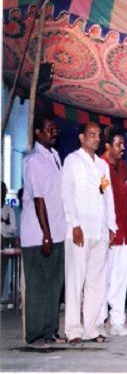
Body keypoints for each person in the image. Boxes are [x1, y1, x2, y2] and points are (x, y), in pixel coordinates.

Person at [61, 122, 117, 345]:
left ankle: (93, 328)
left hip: (100, 230)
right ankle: (73, 330)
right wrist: (74, 224)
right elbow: (67, 194)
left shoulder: (102, 165)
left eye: (98, 135)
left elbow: (108, 197)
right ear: (82, 138)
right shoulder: (72, 161)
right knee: (76, 280)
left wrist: (111, 226)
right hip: (80, 230)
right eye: (91, 135)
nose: (95, 138)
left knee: (96, 281)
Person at [19, 115, 65, 347]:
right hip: (38, 236)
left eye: (55, 128)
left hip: (57, 231)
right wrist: (46, 234)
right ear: (37, 132)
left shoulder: (54, 156)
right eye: (48, 129)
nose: (53, 132)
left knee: (54, 284)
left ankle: (50, 330)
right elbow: (39, 200)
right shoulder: (34, 160)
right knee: (38, 285)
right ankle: (35, 334)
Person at [99, 126, 127, 337]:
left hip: (125, 233)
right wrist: (107, 229)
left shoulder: (125, 167)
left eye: (124, 144)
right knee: (102, 278)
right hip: (106, 234)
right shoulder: (99, 167)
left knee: (121, 278)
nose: (123, 148)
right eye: (118, 144)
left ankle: (118, 321)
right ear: (108, 146)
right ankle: (99, 320)